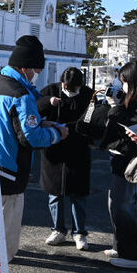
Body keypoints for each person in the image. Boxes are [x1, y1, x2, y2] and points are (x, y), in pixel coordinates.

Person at [0, 35, 68, 263]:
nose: (36, 74)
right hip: (10, 172)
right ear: (26, 68)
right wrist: (57, 133)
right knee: (6, 237)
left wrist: (41, 122)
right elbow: (31, 138)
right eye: (36, 69)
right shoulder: (20, 95)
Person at [100, 60, 137, 270]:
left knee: (122, 205)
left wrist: (116, 108)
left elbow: (132, 123)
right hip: (120, 156)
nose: (121, 86)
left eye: (124, 82)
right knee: (115, 204)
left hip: (130, 158)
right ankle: (120, 245)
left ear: (132, 81)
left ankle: (133, 256)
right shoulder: (136, 97)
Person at [37, 67, 95, 251]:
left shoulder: (89, 94)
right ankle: (58, 230)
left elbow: (92, 120)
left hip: (78, 149)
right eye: (69, 87)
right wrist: (49, 103)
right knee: (54, 193)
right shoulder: (50, 91)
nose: (72, 91)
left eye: (76, 88)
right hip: (53, 149)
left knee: (79, 195)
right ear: (63, 83)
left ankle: (80, 233)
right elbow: (35, 109)